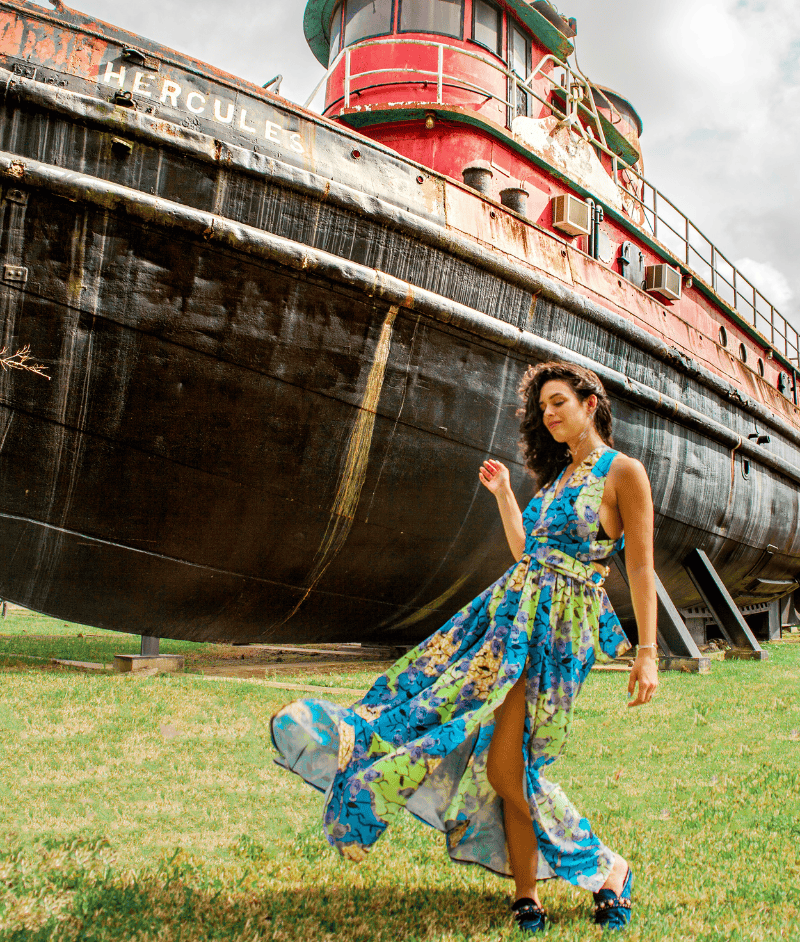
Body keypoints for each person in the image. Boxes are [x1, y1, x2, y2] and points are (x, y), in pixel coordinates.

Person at [271, 360, 658, 934]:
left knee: (511, 768)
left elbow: (641, 563)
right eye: (542, 409)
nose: (548, 415)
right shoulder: (555, 483)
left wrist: (647, 652)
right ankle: (528, 892)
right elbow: (528, 551)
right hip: (508, 622)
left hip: (557, 633)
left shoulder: (623, 472)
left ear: (590, 402)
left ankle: (607, 867)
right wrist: (504, 494)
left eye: (558, 403)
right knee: (502, 759)